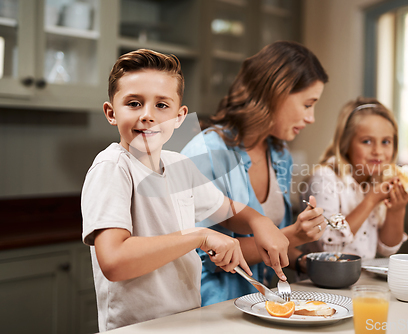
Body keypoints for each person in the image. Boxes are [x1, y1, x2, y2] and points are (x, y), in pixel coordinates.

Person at [81, 49, 289, 331]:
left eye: (161, 106)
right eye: (133, 103)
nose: (147, 115)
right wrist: (199, 235)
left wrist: (258, 220)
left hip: (185, 320)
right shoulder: (112, 167)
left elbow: (227, 211)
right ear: (111, 113)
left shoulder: (179, 165)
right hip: (136, 328)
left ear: (179, 117)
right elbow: (114, 261)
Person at [181, 40, 329, 306]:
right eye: (308, 104)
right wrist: (295, 233)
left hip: (258, 304)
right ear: (277, 93)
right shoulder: (205, 152)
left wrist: (303, 261)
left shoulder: (279, 154)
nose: (312, 118)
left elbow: (271, 243)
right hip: (209, 310)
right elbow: (204, 256)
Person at [299, 97, 408, 271]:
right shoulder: (324, 179)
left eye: (386, 142)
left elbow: (388, 248)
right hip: (321, 288)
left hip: (360, 283)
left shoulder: (377, 180)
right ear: (346, 143)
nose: (378, 151)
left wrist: (396, 210)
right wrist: (370, 200)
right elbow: (328, 247)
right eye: (366, 141)